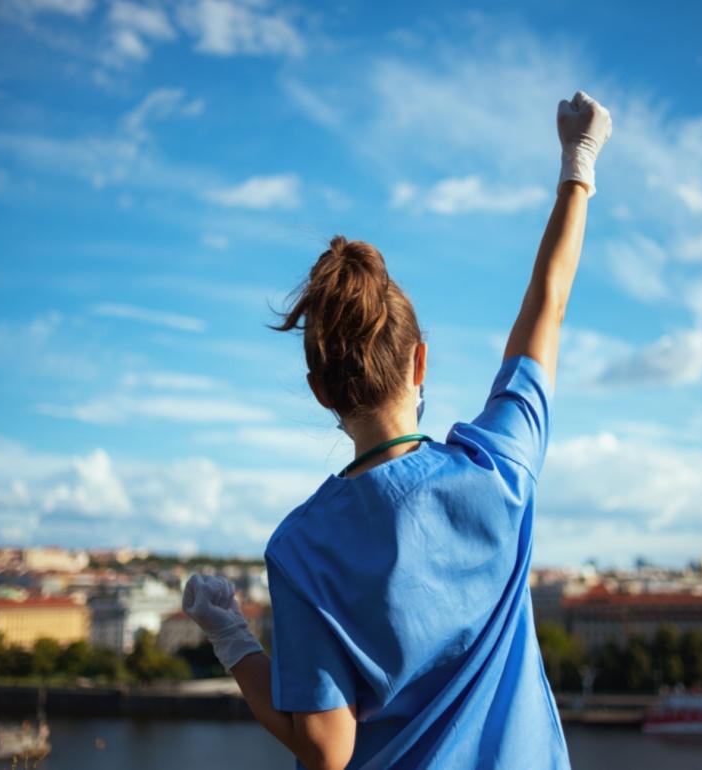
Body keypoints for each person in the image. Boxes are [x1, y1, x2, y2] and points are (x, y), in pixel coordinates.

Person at [183, 90, 612, 770]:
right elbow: (547, 306)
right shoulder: (496, 469)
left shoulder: (301, 548)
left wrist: (230, 636)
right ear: (420, 361)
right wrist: (577, 162)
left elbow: (328, 750)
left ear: (321, 390)